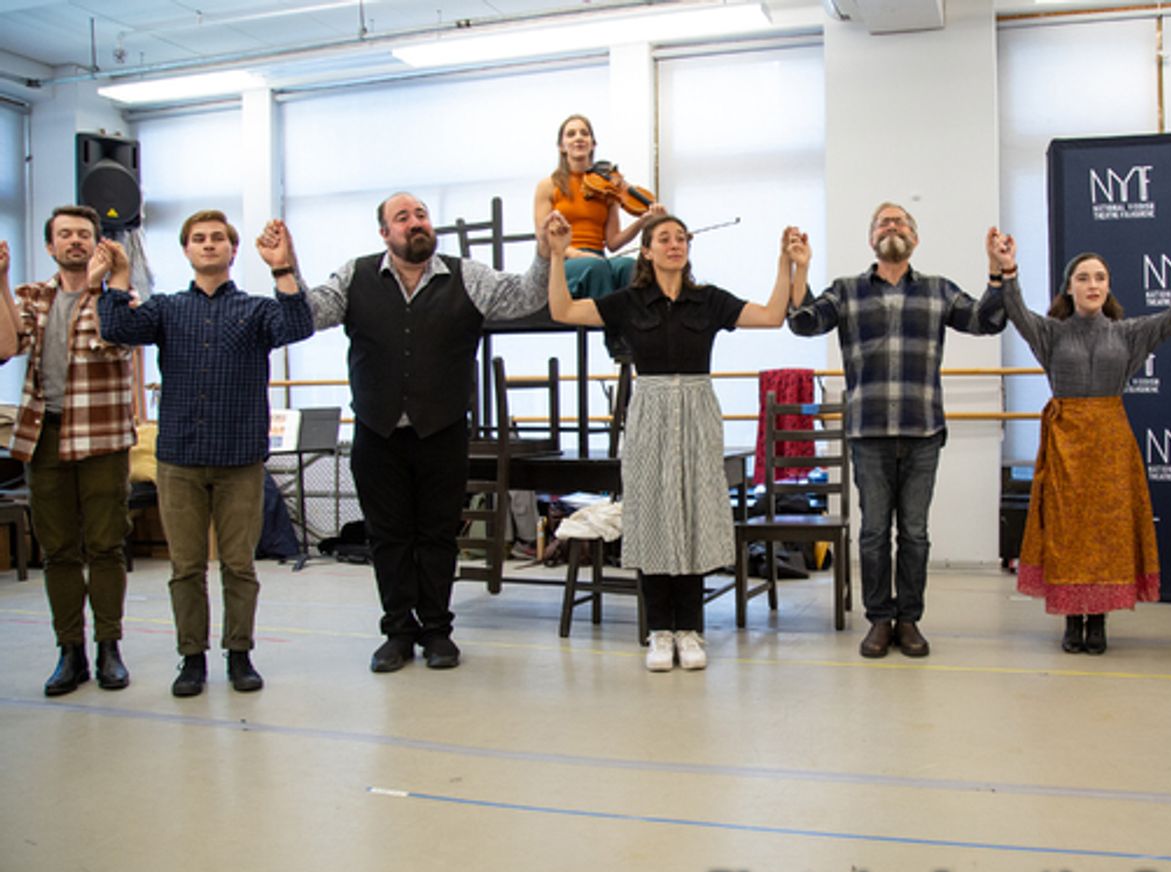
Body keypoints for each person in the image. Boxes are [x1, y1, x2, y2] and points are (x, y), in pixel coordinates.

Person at [277, 192, 550, 674]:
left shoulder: (467, 276)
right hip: (376, 433)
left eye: (421, 214)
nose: (415, 222)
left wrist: (546, 253)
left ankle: (438, 631)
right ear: (385, 233)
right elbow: (308, 315)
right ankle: (398, 633)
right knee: (388, 538)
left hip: (441, 432)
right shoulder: (356, 276)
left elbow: (527, 296)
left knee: (438, 536)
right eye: (402, 218)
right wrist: (285, 269)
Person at [544, 211, 794, 671]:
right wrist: (558, 256)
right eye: (664, 238)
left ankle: (690, 629)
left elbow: (772, 316)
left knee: (693, 513)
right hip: (649, 411)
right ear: (647, 251)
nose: (675, 244)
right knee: (652, 514)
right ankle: (659, 630)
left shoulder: (708, 300)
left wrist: (786, 264)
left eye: (681, 238)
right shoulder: (629, 302)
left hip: (698, 411)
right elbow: (563, 311)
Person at [95, 210, 314, 697]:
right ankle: (191, 658)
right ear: (187, 250)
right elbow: (116, 327)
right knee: (186, 568)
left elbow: (299, 325)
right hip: (180, 460)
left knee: (239, 566)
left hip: (240, 460)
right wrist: (120, 276)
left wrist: (283, 267)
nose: (209, 244)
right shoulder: (167, 309)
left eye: (218, 238)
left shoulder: (257, 311)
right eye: (199, 238)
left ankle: (239, 654)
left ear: (233, 250)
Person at [787, 203, 1011, 659]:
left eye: (901, 221)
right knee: (873, 533)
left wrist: (995, 271)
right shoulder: (846, 291)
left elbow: (987, 321)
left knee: (914, 533)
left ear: (915, 239)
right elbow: (803, 322)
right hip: (868, 432)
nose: (892, 226)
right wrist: (800, 269)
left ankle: (908, 619)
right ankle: (879, 619)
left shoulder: (938, 289)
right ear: (872, 239)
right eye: (883, 222)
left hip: (922, 430)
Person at [1000, 241, 1171, 655]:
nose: (1092, 285)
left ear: (1108, 287)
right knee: (1067, 531)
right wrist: (1008, 270)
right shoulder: (1051, 333)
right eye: (1083, 278)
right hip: (1065, 444)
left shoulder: (1127, 333)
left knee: (1107, 532)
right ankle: (1071, 618)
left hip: (1111, 443)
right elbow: (1017, 312)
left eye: (1099, 278)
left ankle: (1097, 620)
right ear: (1069, 288)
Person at [0, 206, 135, 697]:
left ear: (97, 244)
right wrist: (1, 280)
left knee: (106, 545)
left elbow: (118, 343)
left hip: (101, 435)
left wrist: (103, 284)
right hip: (46, 435)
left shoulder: (120, 297)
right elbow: (6, 346)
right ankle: (70, 651)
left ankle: (108, 648)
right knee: (58, 550)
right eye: (65, 234)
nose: (75, 241)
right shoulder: (32, 297)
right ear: (50, 246)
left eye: (83, 234)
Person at [533, 114, 665, 301]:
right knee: (596, 268)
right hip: (562, 259)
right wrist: (577, 254)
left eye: (584, 133)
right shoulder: (548, 185)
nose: (579, 137)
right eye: (571, 134)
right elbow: (543, 237)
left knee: (629, 267)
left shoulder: (605, 187)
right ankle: (609, 320)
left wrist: (642, 222)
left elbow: (613, 242)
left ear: (592, 144)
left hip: (597, 258)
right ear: (561, 146)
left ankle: (638, 320)